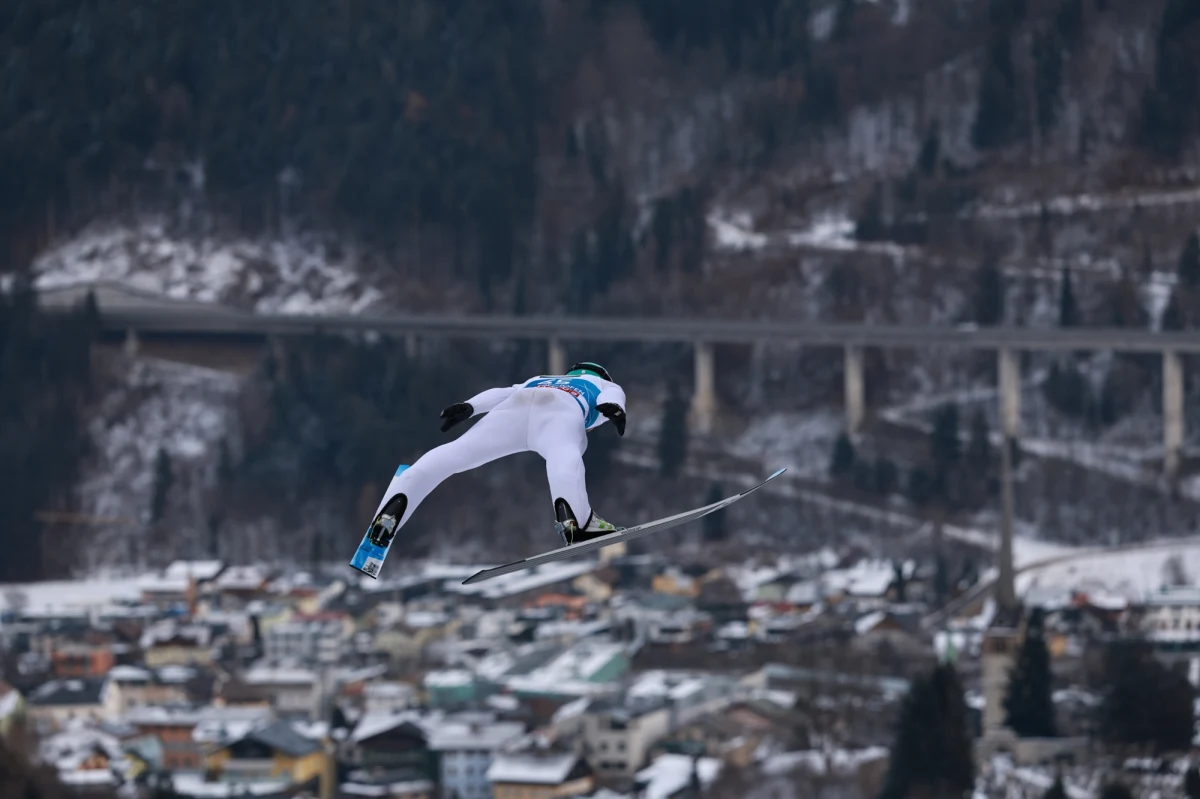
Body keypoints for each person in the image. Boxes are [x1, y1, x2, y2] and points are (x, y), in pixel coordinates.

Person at [366, 361, 627, 549]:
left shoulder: (540, 377)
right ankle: (574, 522)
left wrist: (470, 406)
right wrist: (615, 407)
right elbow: (614, 395)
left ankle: (393, 507)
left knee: (456, 454)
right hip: (561, 411)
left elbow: (503, 393)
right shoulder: (601, 384)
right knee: (565, 456)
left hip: (515, 407)